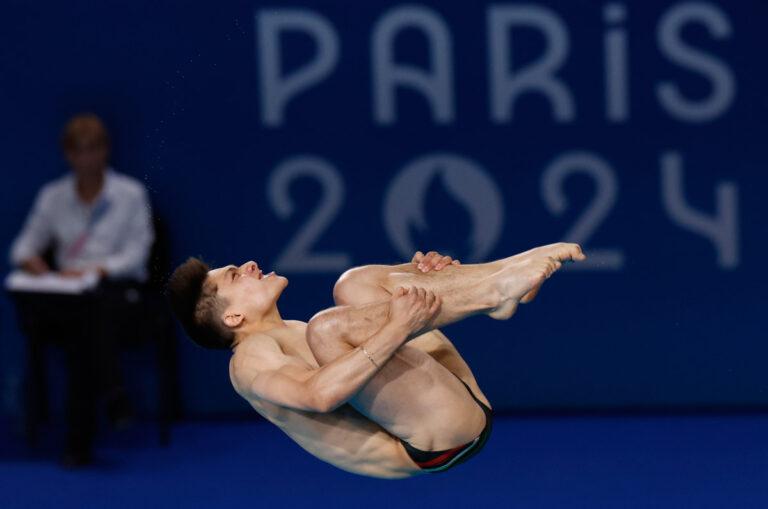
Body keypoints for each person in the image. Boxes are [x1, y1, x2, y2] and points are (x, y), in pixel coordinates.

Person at [168, 242, 585, 478]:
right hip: (434, 440)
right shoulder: (247, 363)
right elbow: (318, 395)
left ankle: (501, 282)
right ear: (233, 318)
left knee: (355, 284)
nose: (250, 264)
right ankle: (494, 292)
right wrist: (398, 326)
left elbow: (395, 309)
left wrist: (424, 273)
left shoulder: (286, 329)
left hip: (450, 397)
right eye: (236, 275)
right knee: (328, 328)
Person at [9, 113, 154, 467]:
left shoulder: (130, 194)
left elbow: (138, 255)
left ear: (105, 151)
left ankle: (78, 443)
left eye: (93, 149)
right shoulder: (52, 196)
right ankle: (114, 392)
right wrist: (34, 263)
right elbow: (21, 248)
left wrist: (96, 270)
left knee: (89, 318)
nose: (87, 157)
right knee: (84, 317)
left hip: (118, 293)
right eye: (79, 150)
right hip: (68, 299)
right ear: (68, 155)